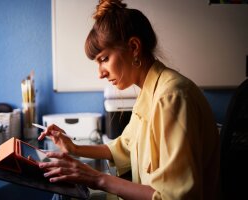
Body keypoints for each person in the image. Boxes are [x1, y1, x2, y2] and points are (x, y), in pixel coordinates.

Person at [38, 0, 220, 199]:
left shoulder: (171, 97)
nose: (100, 73)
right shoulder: (150, 91)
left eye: (104, 59)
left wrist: (97, 179)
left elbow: (174, 197)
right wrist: (73, 148)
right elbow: (125, 146)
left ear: (133, 47)